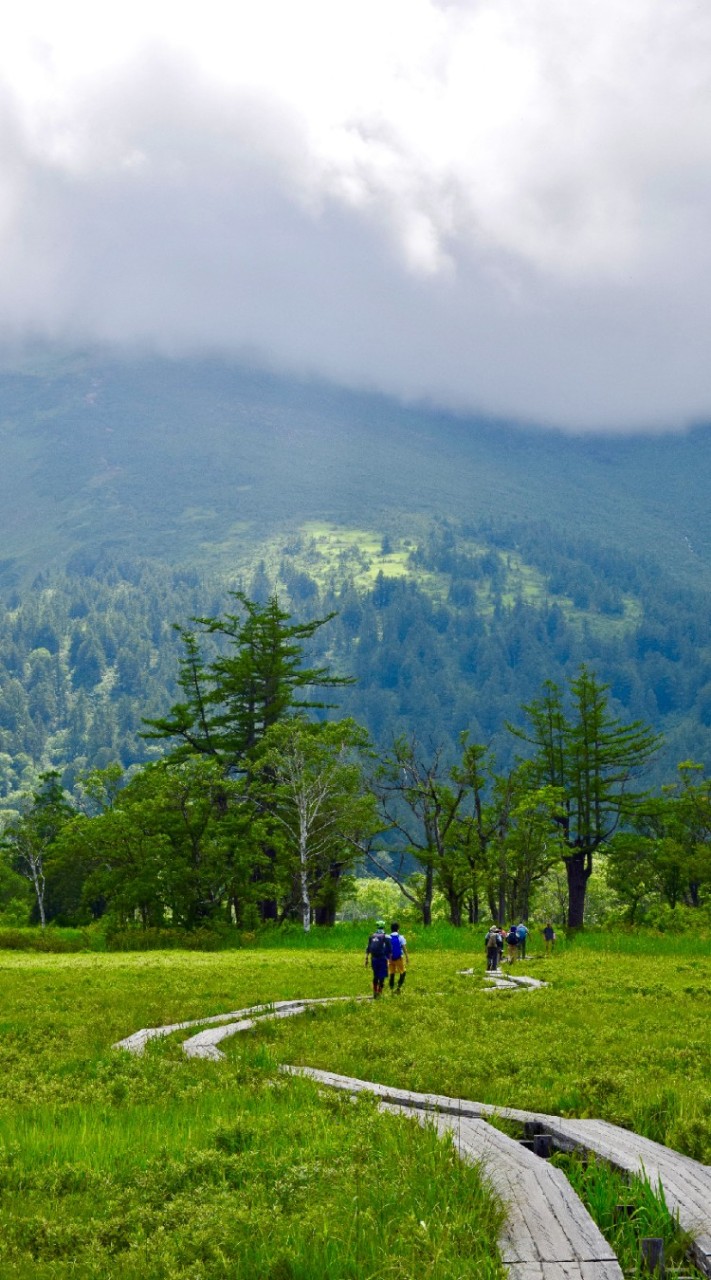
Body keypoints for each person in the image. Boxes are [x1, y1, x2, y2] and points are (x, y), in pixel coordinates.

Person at [365, 920, 392, 998]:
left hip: (373, 958)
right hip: (382, 958)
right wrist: (389, 960)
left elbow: (368, 948)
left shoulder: (372, 936)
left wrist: (366, 959)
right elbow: (390, 949)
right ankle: (380, 992)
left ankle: (374, 991)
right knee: (382, 976)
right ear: (384, 927)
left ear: (376, 926)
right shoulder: (386, 936)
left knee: (375, 975)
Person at [388, 921, 409, 992]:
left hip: (390, 958)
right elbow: (404, 948)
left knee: (392, 973)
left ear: (391, 929)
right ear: (398, 929)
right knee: (403, 972)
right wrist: (407, 957)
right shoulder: (400, 937)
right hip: (399, 958)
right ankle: (398, 988)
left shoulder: (388, 937)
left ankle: (391, 989)